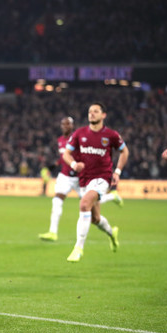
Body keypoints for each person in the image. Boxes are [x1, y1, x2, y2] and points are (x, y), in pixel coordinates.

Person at [62, 103, 129, 262]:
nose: (92, 114)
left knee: (84, 204)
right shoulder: (79, 133)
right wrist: (73, 164)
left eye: (96, 111)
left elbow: (124, 151)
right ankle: (112, 234)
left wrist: (117, 171)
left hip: (102, 178)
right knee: (95, 218)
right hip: (85, 180)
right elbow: (66, 153)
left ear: (103, 115)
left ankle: (78, 248)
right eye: (90, 111)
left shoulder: (111, 135)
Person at [39, 117, 123, 242]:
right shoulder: (60, 140)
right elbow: (63, 158)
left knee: (90, 205)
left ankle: (112, 196)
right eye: (63, 124)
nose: (65, 126)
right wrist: (52, 166)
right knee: (57, 200)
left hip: (80, 178)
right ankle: (53, 232)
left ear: (72, 126)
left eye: (68, 124)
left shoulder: (78, 138)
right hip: (66, 176)